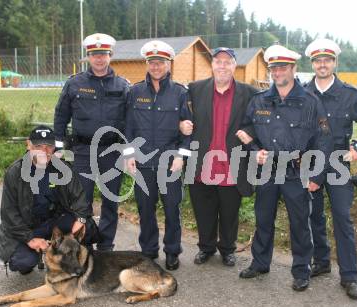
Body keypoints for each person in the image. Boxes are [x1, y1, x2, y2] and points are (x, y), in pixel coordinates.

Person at [236, 44, 333, 291]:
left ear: (293, 68)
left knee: (300, 222)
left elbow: (323, 140)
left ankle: (301, 270)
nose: (277, 72)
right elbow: (248, 129)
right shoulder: (260, 100)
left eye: (282, 67)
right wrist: (254, 151)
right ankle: (260, 263)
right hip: (267, 169)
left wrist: (317, 175)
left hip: (297, 171)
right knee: (263, 219)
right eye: (273, 68)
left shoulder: (310, 102)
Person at [304, 39, 357, 299]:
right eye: (318, 60)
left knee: (342, 218)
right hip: (312, 163)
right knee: (313, 216)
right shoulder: (303, 93)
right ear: (313, 64)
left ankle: (350, 276)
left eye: (327, 60)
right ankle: (321, 261)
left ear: (334, 62)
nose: (322, 64)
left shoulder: (351, 95)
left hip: (339, 164)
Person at [180, 47, 257, 267]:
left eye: (227, 62)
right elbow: (182, 115)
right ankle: (206, 247)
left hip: (233, 163)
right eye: (218, 61)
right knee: (204, 210)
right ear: (212, 64)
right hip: (202, 163)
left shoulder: (249, 93)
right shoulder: (195, 90)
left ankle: (227, 249)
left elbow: (259, 120)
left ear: (235, 65)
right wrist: (180, 124)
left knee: (229, 210)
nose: (222, 66)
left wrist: (250, 133)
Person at [54, 33, 129, 251]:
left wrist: (127, 152)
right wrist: (58, 148)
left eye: (103, 54)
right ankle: (82, 245)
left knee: (110, 202)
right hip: (83, 151)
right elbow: (61, 116)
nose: (99, 59)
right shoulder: (74, 83)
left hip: (111, 152)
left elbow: (129, 121)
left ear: (110, 56)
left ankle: (105, 246)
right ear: (88, 57)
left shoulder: (122, 86)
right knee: (81, 202)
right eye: (94, 55)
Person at [0, 125, 96, 274]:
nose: (44, 151)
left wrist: (81, 220)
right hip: (28, 227)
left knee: (89, 227)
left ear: (54, 148)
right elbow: (9, 215)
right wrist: (30, 239)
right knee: (22, 263)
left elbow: (80, 198)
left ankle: (77, 256)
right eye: (38, 146)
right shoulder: (14, 172)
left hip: (54, 221)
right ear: (28, 144)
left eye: (49, 147)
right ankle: (38, 254)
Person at [123, 40, 191, 270]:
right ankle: (149, 251)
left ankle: (172, 251)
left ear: (168, 63)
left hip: (170, 162)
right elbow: (129, 126)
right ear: (147, 64)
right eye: (152, 62)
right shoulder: (135, 92)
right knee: (146, 209)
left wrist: (182, 156)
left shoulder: (181, 93)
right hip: (143, 162)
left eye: (160, 62)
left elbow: (189, 128)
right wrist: (129, 153)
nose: (156, 66)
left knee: (172, 208)